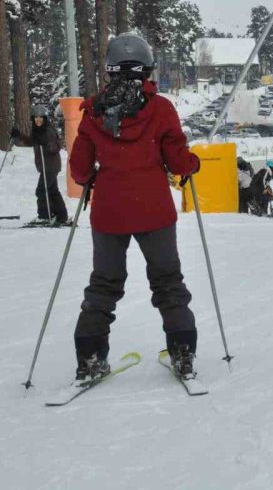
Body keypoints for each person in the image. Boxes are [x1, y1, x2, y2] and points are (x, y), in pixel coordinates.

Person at [68, 33, 201, 383]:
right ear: (147, 69)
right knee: (168, 282)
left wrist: (97, 172)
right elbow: (177, 163)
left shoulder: (94, 111)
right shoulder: (160, 109)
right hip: (154, 211)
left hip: (109, 213)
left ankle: (90, 358)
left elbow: (79, 171)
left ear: (110, 70)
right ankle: (183, 353)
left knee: (104, 285)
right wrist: (192, 163)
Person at [11, 104, 69, 225]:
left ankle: (44, 216)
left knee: (41, 191)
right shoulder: (37, 131)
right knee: (53, 191)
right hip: (46, 166)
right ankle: (61, 216)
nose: (38, 119)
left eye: (40, 117)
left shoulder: (48, 130)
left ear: (44, 118)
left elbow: (56, 146)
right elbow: (32, 142)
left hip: (50, 166)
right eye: (36, 117)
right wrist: (18, 135)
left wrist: (48, 146)